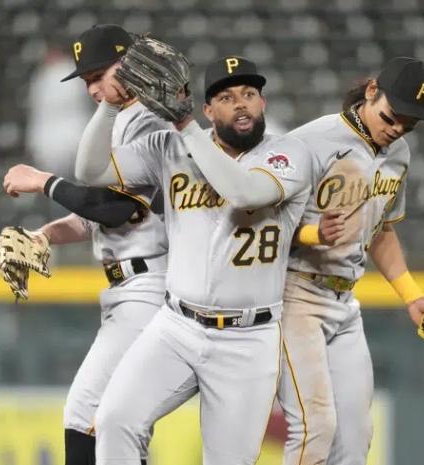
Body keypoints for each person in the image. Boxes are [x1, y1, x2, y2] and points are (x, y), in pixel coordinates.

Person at [74, 55, 313, 465]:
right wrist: (110, 104)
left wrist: (185, 127)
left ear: (263, 104)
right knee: (114, 420)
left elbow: (242, 192)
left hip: (247, 339)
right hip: (176, 327)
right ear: (208, 110)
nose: (241, 104)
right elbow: (90, 170)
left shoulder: (288, 155)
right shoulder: (168, 147)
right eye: (226, 97)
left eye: (250, 94)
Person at [2, 24, 172, 465]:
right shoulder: (118, 122)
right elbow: (96, 215)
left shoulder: (151, 122)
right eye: (87, 80)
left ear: (132, 64)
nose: (95, 88)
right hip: (127, 289)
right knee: (119, 427)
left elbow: (118, 209)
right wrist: (48, 234)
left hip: (149, 286)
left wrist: (43, 182)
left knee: (88, 414)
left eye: (102, 74)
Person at [278, 57, 424, 465]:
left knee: (355, 438)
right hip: (296, 294)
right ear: (371, 91)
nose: (397, 127)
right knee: (315, 428)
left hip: (345, 304)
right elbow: (258, 223)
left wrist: (411, 295)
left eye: (409, 123)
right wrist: (311, 233)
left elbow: (381, 230)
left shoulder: (398, 154)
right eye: (392, 115)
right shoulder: (311, 141)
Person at [26, 41, 94, 175]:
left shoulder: (72, 70)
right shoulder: (42, 75)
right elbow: (38, 111)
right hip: (48, 134)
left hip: (72, 129)